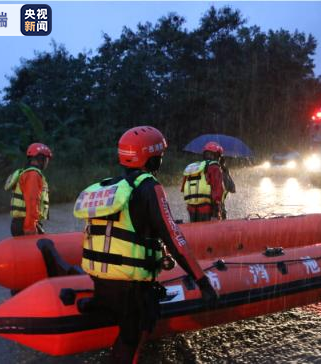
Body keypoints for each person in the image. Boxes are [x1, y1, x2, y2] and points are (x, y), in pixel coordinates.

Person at [73, 126, 218, 363]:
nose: (160, 159)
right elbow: (174, 238)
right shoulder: (150, 188)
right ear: (150, 158)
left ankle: (98, 304)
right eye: (159, 155)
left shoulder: (110, 187)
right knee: (131, 336)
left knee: (123, 312)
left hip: (101, 281)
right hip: (130, 288)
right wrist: (202, 282)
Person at [4, 142, 52, 236]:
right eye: (46, 159)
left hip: (23, 223)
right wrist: (30, 227)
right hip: (25, 224)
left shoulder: (27, 173)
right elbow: (32, 201)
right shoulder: (33, 175)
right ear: (40, 158)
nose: (47, 162)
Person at [181, 141, 225, 222]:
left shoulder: (193, 167)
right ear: (216, 155)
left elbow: (183, 189)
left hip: (192, 210)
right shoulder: (214, 167)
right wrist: (216, 214)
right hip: (207, 210)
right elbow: (218, 191)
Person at [219, 156, 236, 220]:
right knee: (222, 208)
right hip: (220, 199)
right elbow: (232, 188)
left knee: (221, 208)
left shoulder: (223, 171)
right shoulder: (224, 171)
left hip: (217, 200)